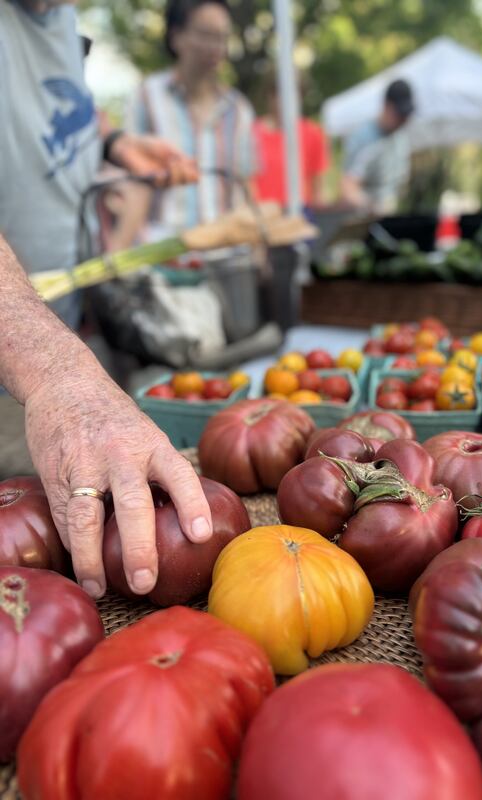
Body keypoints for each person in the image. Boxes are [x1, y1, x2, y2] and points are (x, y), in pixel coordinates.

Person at [0, 0, 214, 598]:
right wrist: (58, 375)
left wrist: (113, 143)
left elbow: (46, 106)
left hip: (41, 340)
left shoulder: (59, 16)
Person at [127, 0, 257, 234]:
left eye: (222, 37)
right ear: (176, 36)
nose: (215, 46)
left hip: (227, 251)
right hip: (163, 255)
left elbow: (246, 184)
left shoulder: (238, 109)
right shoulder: (148, 97)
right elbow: (133, 184)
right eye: (206, 35)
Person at [254, 72, 330, 209]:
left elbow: (318, 190)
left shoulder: (313, 133)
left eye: (295, 95)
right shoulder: (251, 134)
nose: (286, 101)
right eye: (279, 94)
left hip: (301, 216)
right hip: (262, 218)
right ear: (270, 95)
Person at [341, 79, 415, 215]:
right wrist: (371, 205)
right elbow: (349, 187)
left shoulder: (401, 138)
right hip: (366, 218)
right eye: (400, 115)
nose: (403, 121)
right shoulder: (363, 138)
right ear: (387, 106)